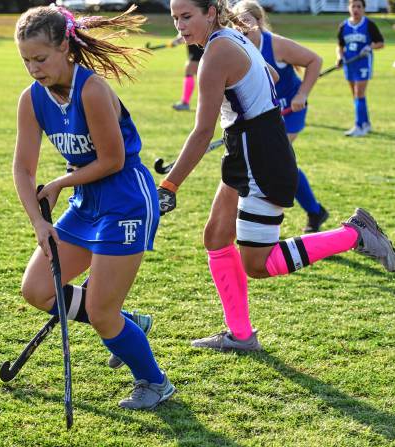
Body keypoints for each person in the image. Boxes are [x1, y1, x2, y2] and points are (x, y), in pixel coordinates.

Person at [158, 0, 395, 351]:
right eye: (175, 17)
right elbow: (270, 73)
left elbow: (202, 131)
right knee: (216, 237)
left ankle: (353, 234)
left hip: (260, 154)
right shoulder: (234, 37)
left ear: (210, 12)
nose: (179, 25)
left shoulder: (216, 53)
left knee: (257, 263)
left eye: (187, 16)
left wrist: (169, 185)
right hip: (247, 147)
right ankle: (240, 334)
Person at [13, 5, 175, 409]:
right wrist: (38, 222)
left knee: (102, 311)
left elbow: (112, 160)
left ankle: (154, 383)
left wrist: (61, 183)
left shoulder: (93, 90)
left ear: (65, 47)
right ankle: (128, 325)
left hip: (127, 200)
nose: (34, 68)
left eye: (41, 58)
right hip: (86, 203)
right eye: (26, 60)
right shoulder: (32, 99)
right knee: (36, 289)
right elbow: (22, 166)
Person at [233, 0, 328, 233]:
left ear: (259, 21)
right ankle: (315, 211)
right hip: (263, 113)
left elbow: (315, 60)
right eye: (237, 21)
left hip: (290, 109)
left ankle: (309, 212)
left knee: (277, 160)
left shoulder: (276, 45)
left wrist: (302, 94)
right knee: (278, 162)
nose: (242, 25)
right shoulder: (236, 46)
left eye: (247, 19)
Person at [337, 0, 384, 137]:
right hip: (349, 64)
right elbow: (340, 46)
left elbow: (380, 43)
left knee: (359, 94)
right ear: (349, 8)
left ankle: (359, 125)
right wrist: (339, 57)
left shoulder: (369, 24)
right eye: (353, 6)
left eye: (359, 6)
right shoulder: (343, 26)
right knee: (356, 96)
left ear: (363, 9)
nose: (356, 9)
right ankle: (366, 123)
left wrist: (369, 47)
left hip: (363, 64)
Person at [171, 35, 204, 112]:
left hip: (198, 47)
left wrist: (177, 41)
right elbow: (183, 32)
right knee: (191, 70)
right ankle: (185, 102)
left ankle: (185, 102)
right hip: (194, 48)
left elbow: (190, 32)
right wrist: (176, 40)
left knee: (191, 69)